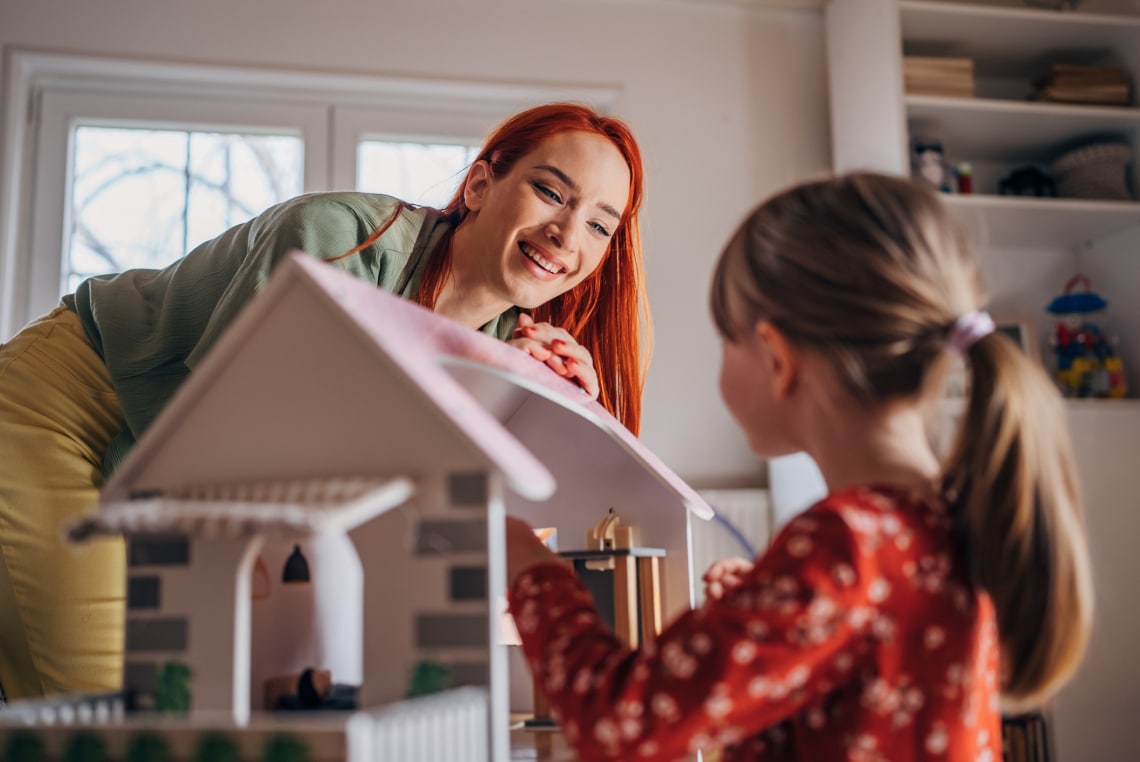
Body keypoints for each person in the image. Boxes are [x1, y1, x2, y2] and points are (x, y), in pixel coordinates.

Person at [0, 102, 651, 700]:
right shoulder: (337, 237)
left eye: (599, 224)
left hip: (163, 449)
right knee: (113, 693)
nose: (568, 235)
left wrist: (544, 402)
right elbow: (220, 444)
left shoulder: (507, 346)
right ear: (480, 184)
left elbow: (433, 490)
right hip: (63, 402)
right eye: (550, 191)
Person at [506, 172, 1093, 761]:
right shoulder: (945, 519)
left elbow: (618, 722)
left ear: (778, 359)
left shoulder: (847, 543)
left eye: (726, 341)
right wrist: (764, 603)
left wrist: (530, 565)